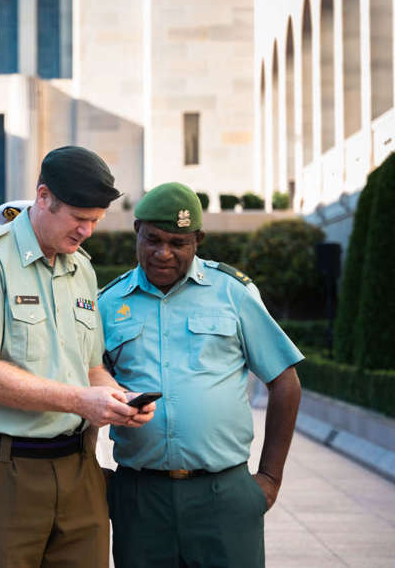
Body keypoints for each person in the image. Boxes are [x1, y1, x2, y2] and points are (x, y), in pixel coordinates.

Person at [0, 146, 156, 567]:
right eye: (79, 218)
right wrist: (80, 400)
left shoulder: (82, 269)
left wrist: (118, 399)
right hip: (1, 472)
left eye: (95, 221)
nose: (87, 232)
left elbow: (91, 369)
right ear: (43, 198)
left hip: (79, 470)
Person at [98, 182, 304, 568]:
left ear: (199, 240)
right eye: (153, 239)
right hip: (140, 498)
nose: (164, 253)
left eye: (178, 243)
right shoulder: (107, 304)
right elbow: (86, 389)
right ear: (136, 231)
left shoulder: (234, 293)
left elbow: (284, 380)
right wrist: (92, 474)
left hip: (223, 494)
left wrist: (271, 478)